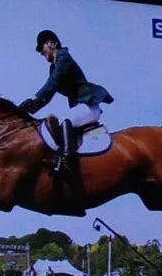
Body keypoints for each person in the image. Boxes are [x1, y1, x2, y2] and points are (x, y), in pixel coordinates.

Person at [20, 30, 114, 173]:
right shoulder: (54, 66)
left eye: (42, 48)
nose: (41, 53)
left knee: (63, 119)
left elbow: (51, 84)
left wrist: (33, 99)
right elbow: (49, 94)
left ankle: (67, 161)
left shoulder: (64, 57)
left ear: (53, 44)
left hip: (88, 106)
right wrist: (27, 110)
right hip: (80, 106)